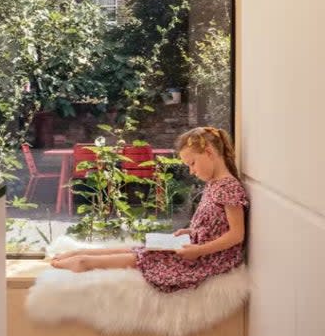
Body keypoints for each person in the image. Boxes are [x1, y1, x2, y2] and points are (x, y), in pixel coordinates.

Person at [49, 126, 248, 293]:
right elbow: (217, 224)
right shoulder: (214, 184)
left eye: (192, 164)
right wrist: (191, 232)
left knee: (148, 257)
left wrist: (199, 250)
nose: (191, 171)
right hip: (197, 247)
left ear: (209, 153)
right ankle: (83, 253)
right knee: (143, 248)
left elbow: (236, 235)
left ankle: (84, 262)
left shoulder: (228, 187)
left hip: (209, 259)